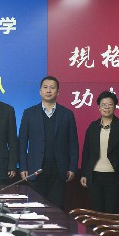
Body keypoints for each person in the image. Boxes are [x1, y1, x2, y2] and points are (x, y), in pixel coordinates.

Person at [18, 76, 79, 209]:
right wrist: (23, 166)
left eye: (52, 88)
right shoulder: (29, 113)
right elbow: (22, 142)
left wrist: (72, 167)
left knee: (56, 207)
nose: (48, 90)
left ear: (58, 92)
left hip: (59, 168)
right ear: (40, 91)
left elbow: (73, 143)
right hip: (35, 168)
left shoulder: (67, 114)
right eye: (45, 87)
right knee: (35, 207)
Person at [80, 90, 119, 213]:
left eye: (110, 104)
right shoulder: (93, 127)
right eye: (103, 105)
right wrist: (84, 174)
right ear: (99, 108)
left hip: (114, 176)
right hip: (94, 175)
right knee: (97, 211)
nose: (106, 107)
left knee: (111, 210)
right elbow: (86, 152)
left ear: (115, 107)